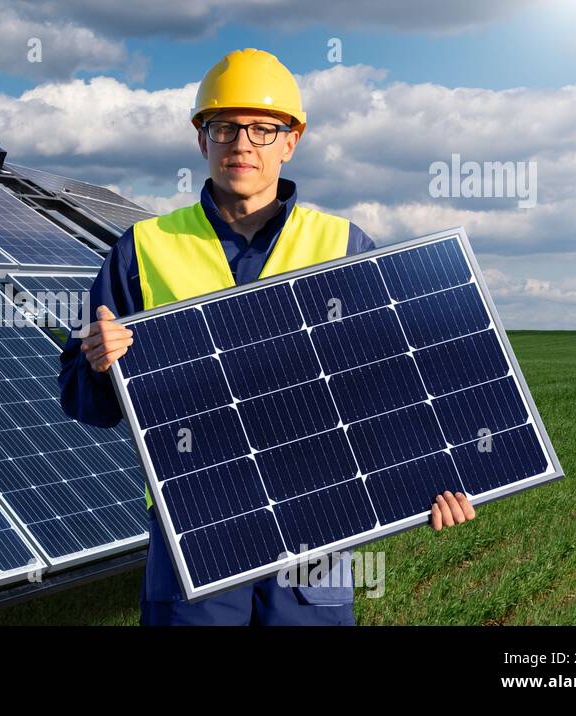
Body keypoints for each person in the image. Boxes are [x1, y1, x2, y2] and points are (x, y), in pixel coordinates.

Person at [58, 48, 476, 626]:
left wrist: (434, 474)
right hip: (194, 530)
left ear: (291, 140)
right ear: (201, 139)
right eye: (224, 126)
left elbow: (397, 381)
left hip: (319, 527)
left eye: (263, 128)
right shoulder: (143, 249)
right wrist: (98, 364)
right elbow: (83, 398)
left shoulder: (345, 245)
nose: (243, 144)